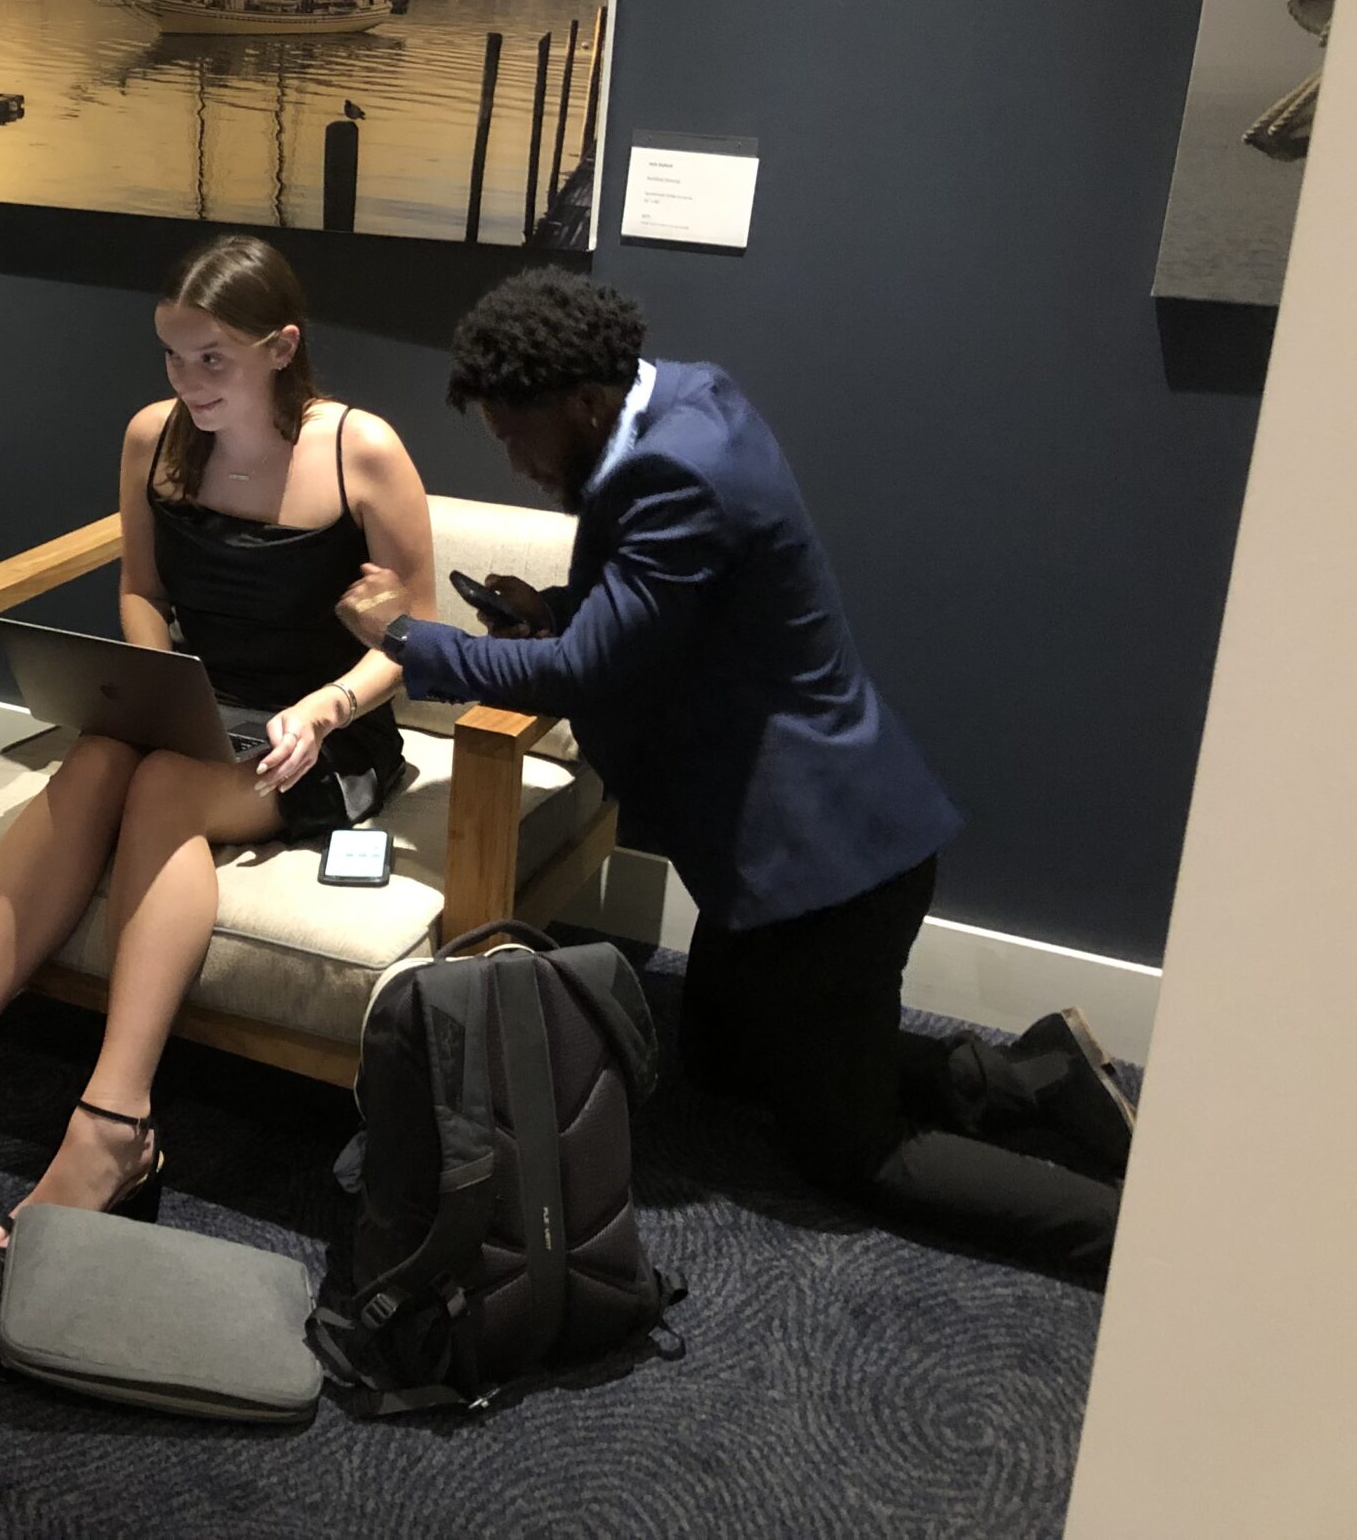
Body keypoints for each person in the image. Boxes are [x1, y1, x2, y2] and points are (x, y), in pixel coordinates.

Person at [337, 269, 1129, 1280]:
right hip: (773, 851)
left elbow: (582, 674)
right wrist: (558, 609)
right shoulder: (682, 402)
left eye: (514, 435)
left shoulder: (677, 473)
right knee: (718, 1062)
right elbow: (668, 613)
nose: (512, 461)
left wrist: (407, 638)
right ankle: (1035, 1077)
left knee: (849, 1152)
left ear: (584, 402)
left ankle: (1137, 1234)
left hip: (827, 868)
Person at [0, 234, 436, 1243]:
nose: (188, 382)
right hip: (196, 706)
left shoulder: (360, 449)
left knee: (159, 789)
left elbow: (415, 638)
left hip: (320, 732)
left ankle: (113, 1119)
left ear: (281, 347)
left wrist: (325, 708)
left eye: (212, 359)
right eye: (174, 357)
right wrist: (153, 685)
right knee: (103, 756)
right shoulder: (155, 436)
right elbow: (141, 589)